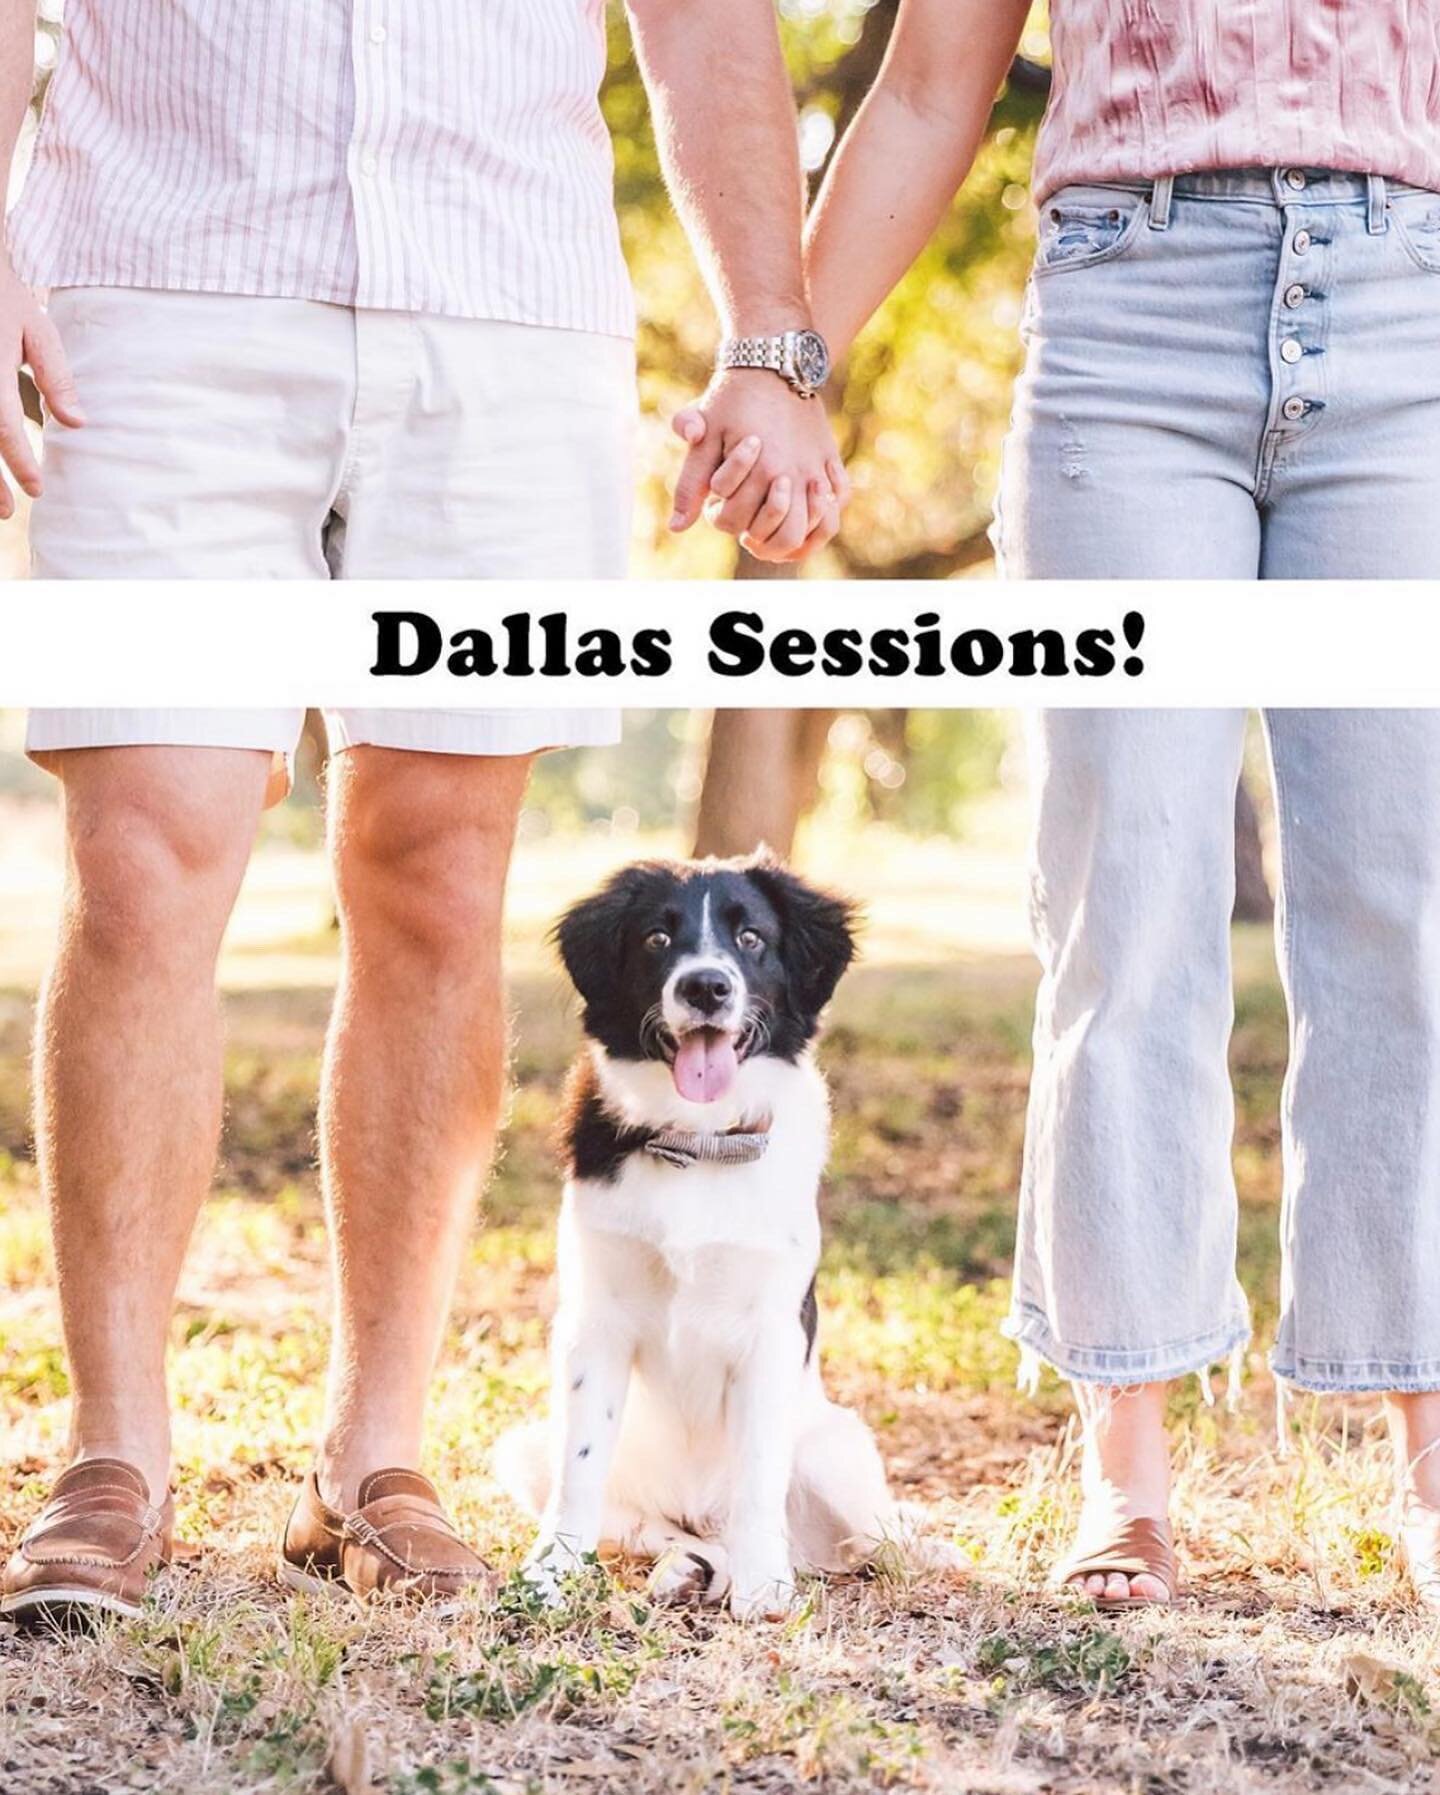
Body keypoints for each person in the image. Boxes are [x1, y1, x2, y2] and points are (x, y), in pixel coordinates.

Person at [0, 0, 844, 1623]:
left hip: (502, 305)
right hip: (158, 283)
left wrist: (768, 335)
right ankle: (114, 1458)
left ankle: (375, 1458)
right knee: (144, 858)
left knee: (445, 879)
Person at [673, 0, 1440, 1608]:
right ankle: (1129, 1469)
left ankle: (1429, 1448)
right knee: (1126, 906)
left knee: (1405, 906)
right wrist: (780, 360)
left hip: (1414, 300)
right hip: (1130, 319)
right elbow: (934, 80)